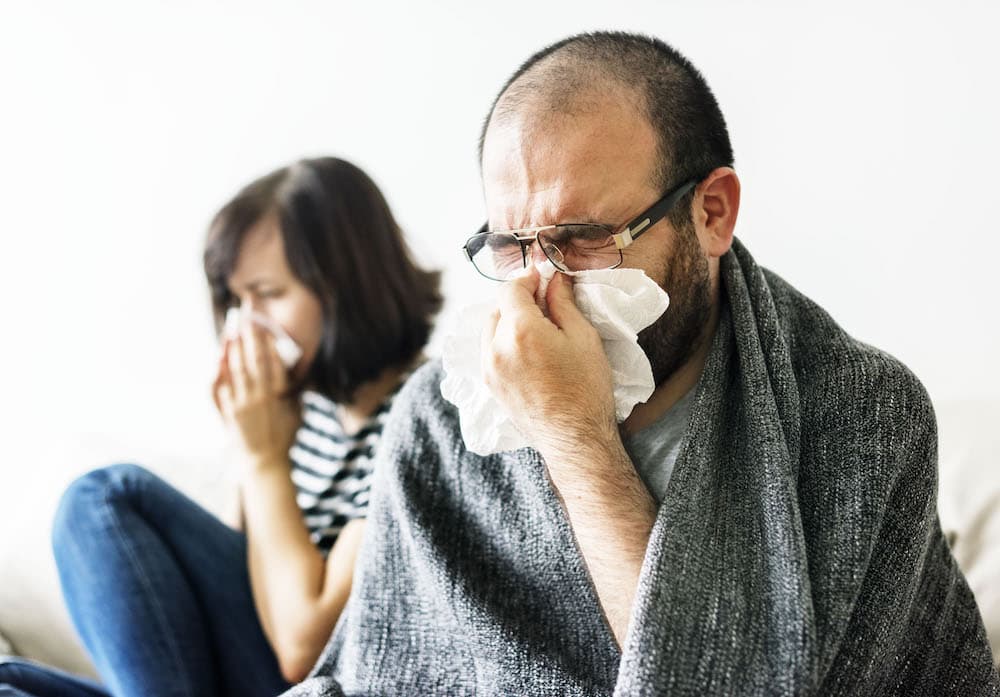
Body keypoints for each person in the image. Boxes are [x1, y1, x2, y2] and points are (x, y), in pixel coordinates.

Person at [285, 32, 1000, 696]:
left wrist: (575, 434)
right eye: (514, 246)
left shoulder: (861, 413)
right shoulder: (443, 420)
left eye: (584, 238)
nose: (542, 287)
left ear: (713, 213)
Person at [0, 157, 441, 697]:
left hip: (315, 677)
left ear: (349, 287)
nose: (246, 322)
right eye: (236, 300)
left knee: (102, 498)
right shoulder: (303, 409)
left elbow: (306, 649)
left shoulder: (420, 418)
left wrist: (263, 460)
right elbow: (240, 574)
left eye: (270, 294)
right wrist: (248, 447)